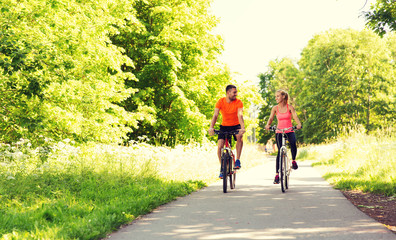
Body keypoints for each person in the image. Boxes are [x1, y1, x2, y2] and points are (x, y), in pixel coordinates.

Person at [208, 85, 246, 178]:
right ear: (228, 93)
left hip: (236, 125)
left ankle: (237, 160)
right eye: (234, 92)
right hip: (224, 126)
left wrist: (242, 128)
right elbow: (215, 115)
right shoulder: (220, 101)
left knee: (239, 137)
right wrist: (211, 127)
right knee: (220, 145)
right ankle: (222, 168)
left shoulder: (238, 102)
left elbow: (240, 115)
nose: (236, 94)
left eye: (236, 92)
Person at [265, 89, 302, 184]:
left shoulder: (290, 107)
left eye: (278, 96)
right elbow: (271, 118)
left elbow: (295, 116)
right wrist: (268, 125)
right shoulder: (275, 108)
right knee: (279, 152)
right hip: (279, 131)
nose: (276, 98)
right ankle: (277, 175)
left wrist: (298, 124)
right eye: (275, 96)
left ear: (283, 97)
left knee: (293, 143)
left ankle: (293, 160)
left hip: (289, 129)